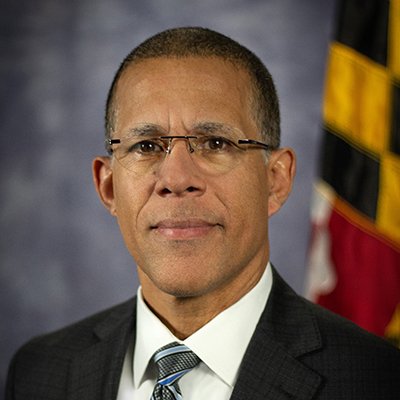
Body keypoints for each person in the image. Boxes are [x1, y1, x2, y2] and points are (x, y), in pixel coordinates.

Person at [5, 27, 400, 400]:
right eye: (146, 146)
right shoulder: (41, 372)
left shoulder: (378, 381)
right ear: (108, 187)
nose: (176, 179)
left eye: (215, 143)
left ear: (275, 181)